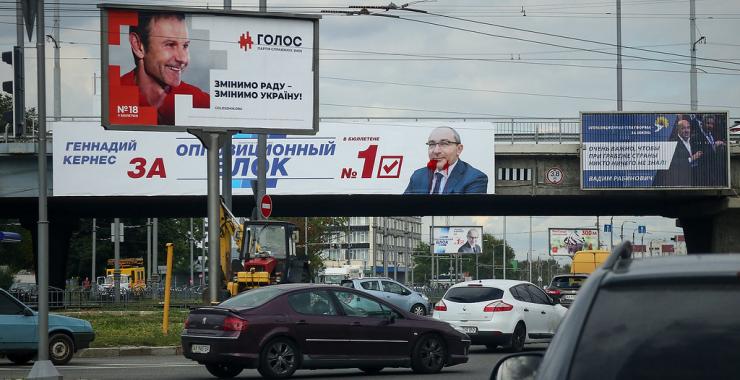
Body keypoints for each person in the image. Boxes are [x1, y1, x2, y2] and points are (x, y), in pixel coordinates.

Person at [123, 11, 209, 125]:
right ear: (138, 45)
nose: (182, 58)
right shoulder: (112, 98)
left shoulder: (200, 102)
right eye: (169, 45)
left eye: (185, 46)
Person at [404, 126, 488, 194]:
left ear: (459, 149)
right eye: (432, 144)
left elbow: (466, 213)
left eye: (444, 144)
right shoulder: (418, 176)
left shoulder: (475, 178)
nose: (436, 151)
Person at [653, 117, 702, 187]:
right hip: (677, 182)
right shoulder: (673, 142)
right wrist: (691, 158)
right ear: (678, 129)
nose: (687, 130)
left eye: (688, 128)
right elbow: (673, 162)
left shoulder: (693, 141)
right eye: (683, 128)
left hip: (690, 180)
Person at [692, 115, 727, 186]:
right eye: (708, 123)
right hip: (702, 172)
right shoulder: (696, 136)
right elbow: (700, 153)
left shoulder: (713, 134)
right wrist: (713, 146)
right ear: (702, 123)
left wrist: (721, 144)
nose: (710, 126)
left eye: (712, 124)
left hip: (713, 171)